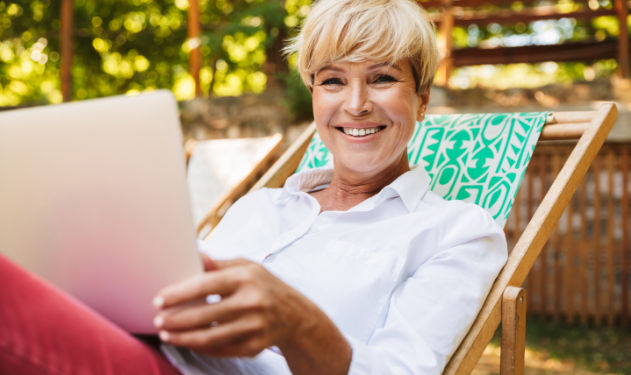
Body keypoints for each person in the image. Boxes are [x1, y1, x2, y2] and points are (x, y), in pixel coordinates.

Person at [0, 0, 507, 374]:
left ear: (421, 100)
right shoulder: (261, 206)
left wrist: (297, 323)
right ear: (313, 98)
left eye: (381, 79)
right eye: (332, 81)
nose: (355, 104)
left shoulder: (458, 232)